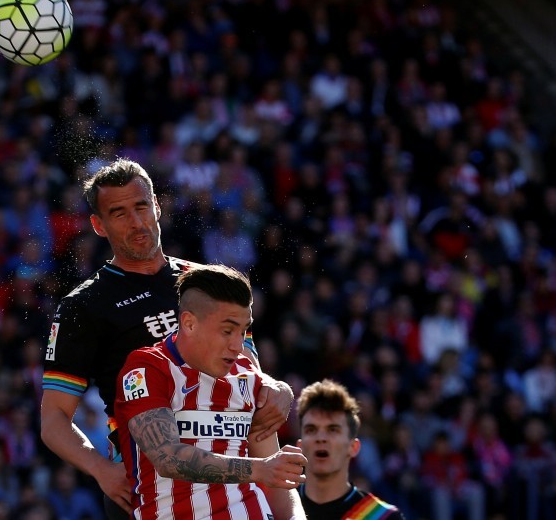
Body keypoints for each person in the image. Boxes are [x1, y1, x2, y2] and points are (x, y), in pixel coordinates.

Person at [40, 158, 296, 517]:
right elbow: (53, 419)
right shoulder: (84, 305)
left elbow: (246, 366)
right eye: (119, 213)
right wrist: (102, 470)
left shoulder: (207, 282)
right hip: (148, 482)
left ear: (157, 206)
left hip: (232, 472)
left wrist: (274, 386)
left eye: (142, 206)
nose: (137, 222)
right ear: (98, 225)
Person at [114, 264, 307, 519]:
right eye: (227, 331)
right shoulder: (146, 369)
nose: (238, 345)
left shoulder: (247, 373)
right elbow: (169, 459)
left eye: (243, 330)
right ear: (189, 323)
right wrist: (260, 470)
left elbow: (277, 479)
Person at [296, 379, 404, 519]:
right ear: (300, 447)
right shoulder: (276, 509)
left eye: (332, 430)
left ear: (353, 447)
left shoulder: (383, 517)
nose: (321, 438)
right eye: (311, 430)